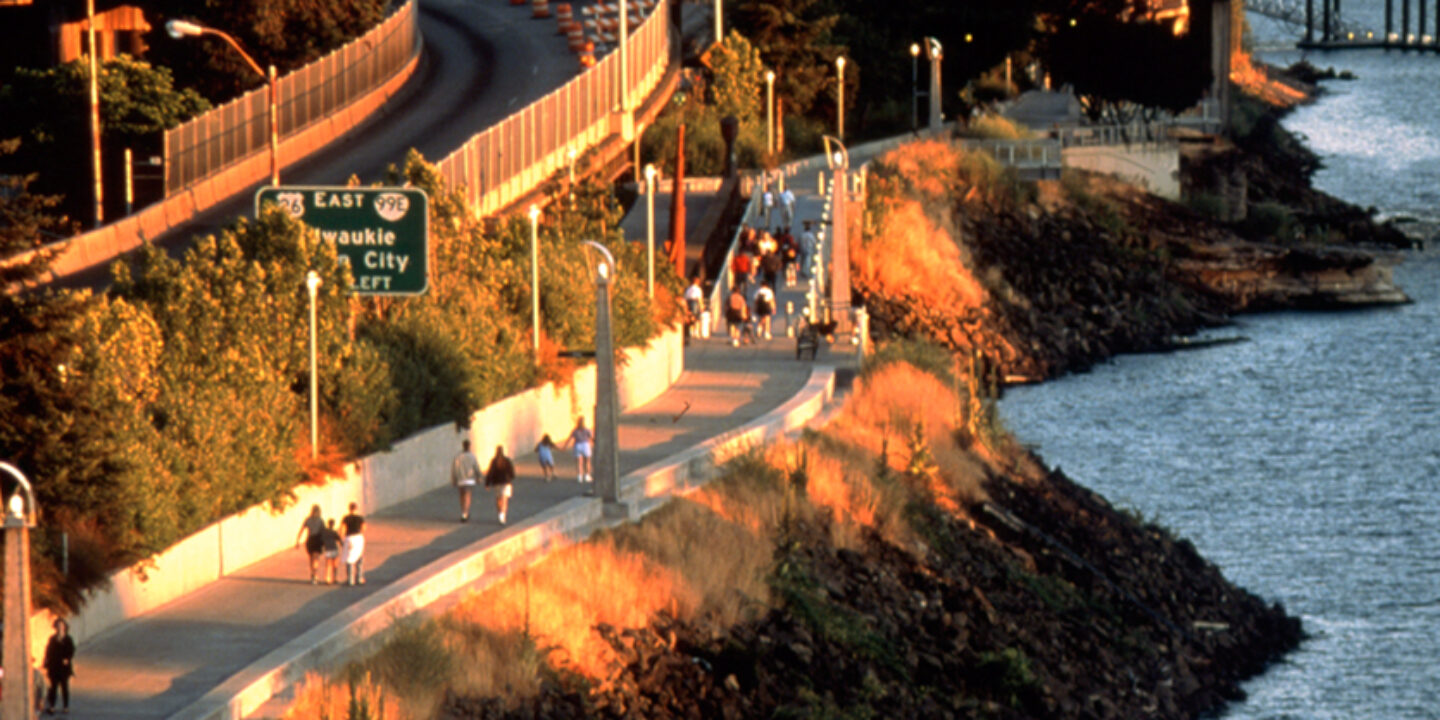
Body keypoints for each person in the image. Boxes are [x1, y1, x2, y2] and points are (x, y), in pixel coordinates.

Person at [43, 618, 75, 715]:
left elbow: (71, 650)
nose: (60, 627)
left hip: (64, 668)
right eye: (58, 626)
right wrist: (46, 662)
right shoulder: (52, 639)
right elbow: (48, 651)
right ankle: (52, 706)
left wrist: (67, 659)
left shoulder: (68, 639)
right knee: (53, 687)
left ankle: (65, 706)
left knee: (64, 687)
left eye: (62, 625)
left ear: (65, 627)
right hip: (54, 667)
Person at [484, 445, 517, 525]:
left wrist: (487, 483)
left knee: (498, 499)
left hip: (497, 483)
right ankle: (503, 515)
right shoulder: (507, 461)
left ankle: (500, 514)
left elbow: (490, 473)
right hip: (506, 482)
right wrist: (511, 477)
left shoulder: (494, 461)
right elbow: (511, 472)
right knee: (504, 500)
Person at [451, 439, 481, 522]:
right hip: (469, 479)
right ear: (469, 446)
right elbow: (476, 467)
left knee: (461, 495)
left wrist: (454, 479)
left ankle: (463, 511)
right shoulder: (472, 456)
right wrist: (478, 476)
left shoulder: (458, 457)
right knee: (468, 496)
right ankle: (466, 513)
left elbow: (454, 468)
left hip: (461, 479)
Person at [294, 504, 325, 584]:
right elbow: (323, 531)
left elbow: (302, 529)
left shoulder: (308, 519)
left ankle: (313, 575)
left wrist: (298, 540)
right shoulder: (320, 520)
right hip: (317, 540)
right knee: (316, 558)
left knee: (311, 559)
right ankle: (315, 575)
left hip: (309, 540)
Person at [341, 502, 366, 586]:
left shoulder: (346, 518)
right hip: (358, 537)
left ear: (349, 509)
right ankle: (359, 578)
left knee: (349, 558)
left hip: (349, 537)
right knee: (359, 557)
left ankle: (350, 580)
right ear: (356, 508)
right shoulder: (360, 518)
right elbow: (364, 528)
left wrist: (343, 539)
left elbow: (343, 529)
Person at [562, 417, 594, 484]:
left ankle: (579, 477)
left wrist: (565, 446)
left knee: (579, 462)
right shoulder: (587, 430)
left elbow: (569, 438)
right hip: (585, 445)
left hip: (577, 445)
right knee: (587, 461)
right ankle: (587, 476)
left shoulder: (575, 430)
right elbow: (591, 438)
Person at [321, 519, 342, 584]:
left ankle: (327, 578)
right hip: (334, 548)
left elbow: (322, 540)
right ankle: (335, 578)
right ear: (333, 524)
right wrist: (343, 545)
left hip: (327, 548)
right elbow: (339, 539)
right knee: (335, 564)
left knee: (328, 564)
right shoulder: (334, 532)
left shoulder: (324, 532)